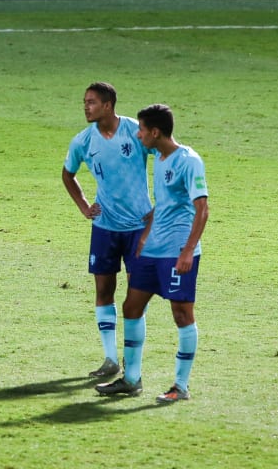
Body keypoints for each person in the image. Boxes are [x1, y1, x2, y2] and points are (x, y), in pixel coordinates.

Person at [96, 103, 209, 403]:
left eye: (142, 130)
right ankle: (132, 379)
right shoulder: (159, 158)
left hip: (177, 251)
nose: (138, 134)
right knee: (132, 307)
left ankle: (180, 387)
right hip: (153, 250)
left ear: (155, 132)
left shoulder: (189, 161)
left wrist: (187, 251)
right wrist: (146, 235)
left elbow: (202, 209)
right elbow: (165, 203)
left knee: (181, 313)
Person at [61, 82, 153, 378]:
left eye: (91, 102)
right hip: (105, 227)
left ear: (108, 105)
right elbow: (68, 174)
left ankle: (132, 360)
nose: (86, 107)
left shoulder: (135, 131)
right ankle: (110, 359)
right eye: (84, 102)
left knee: (136, 296)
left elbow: (165, 155)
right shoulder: (83, 141)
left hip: (139, 228)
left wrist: (159, 206)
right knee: (103, 290)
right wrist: (84, 206)